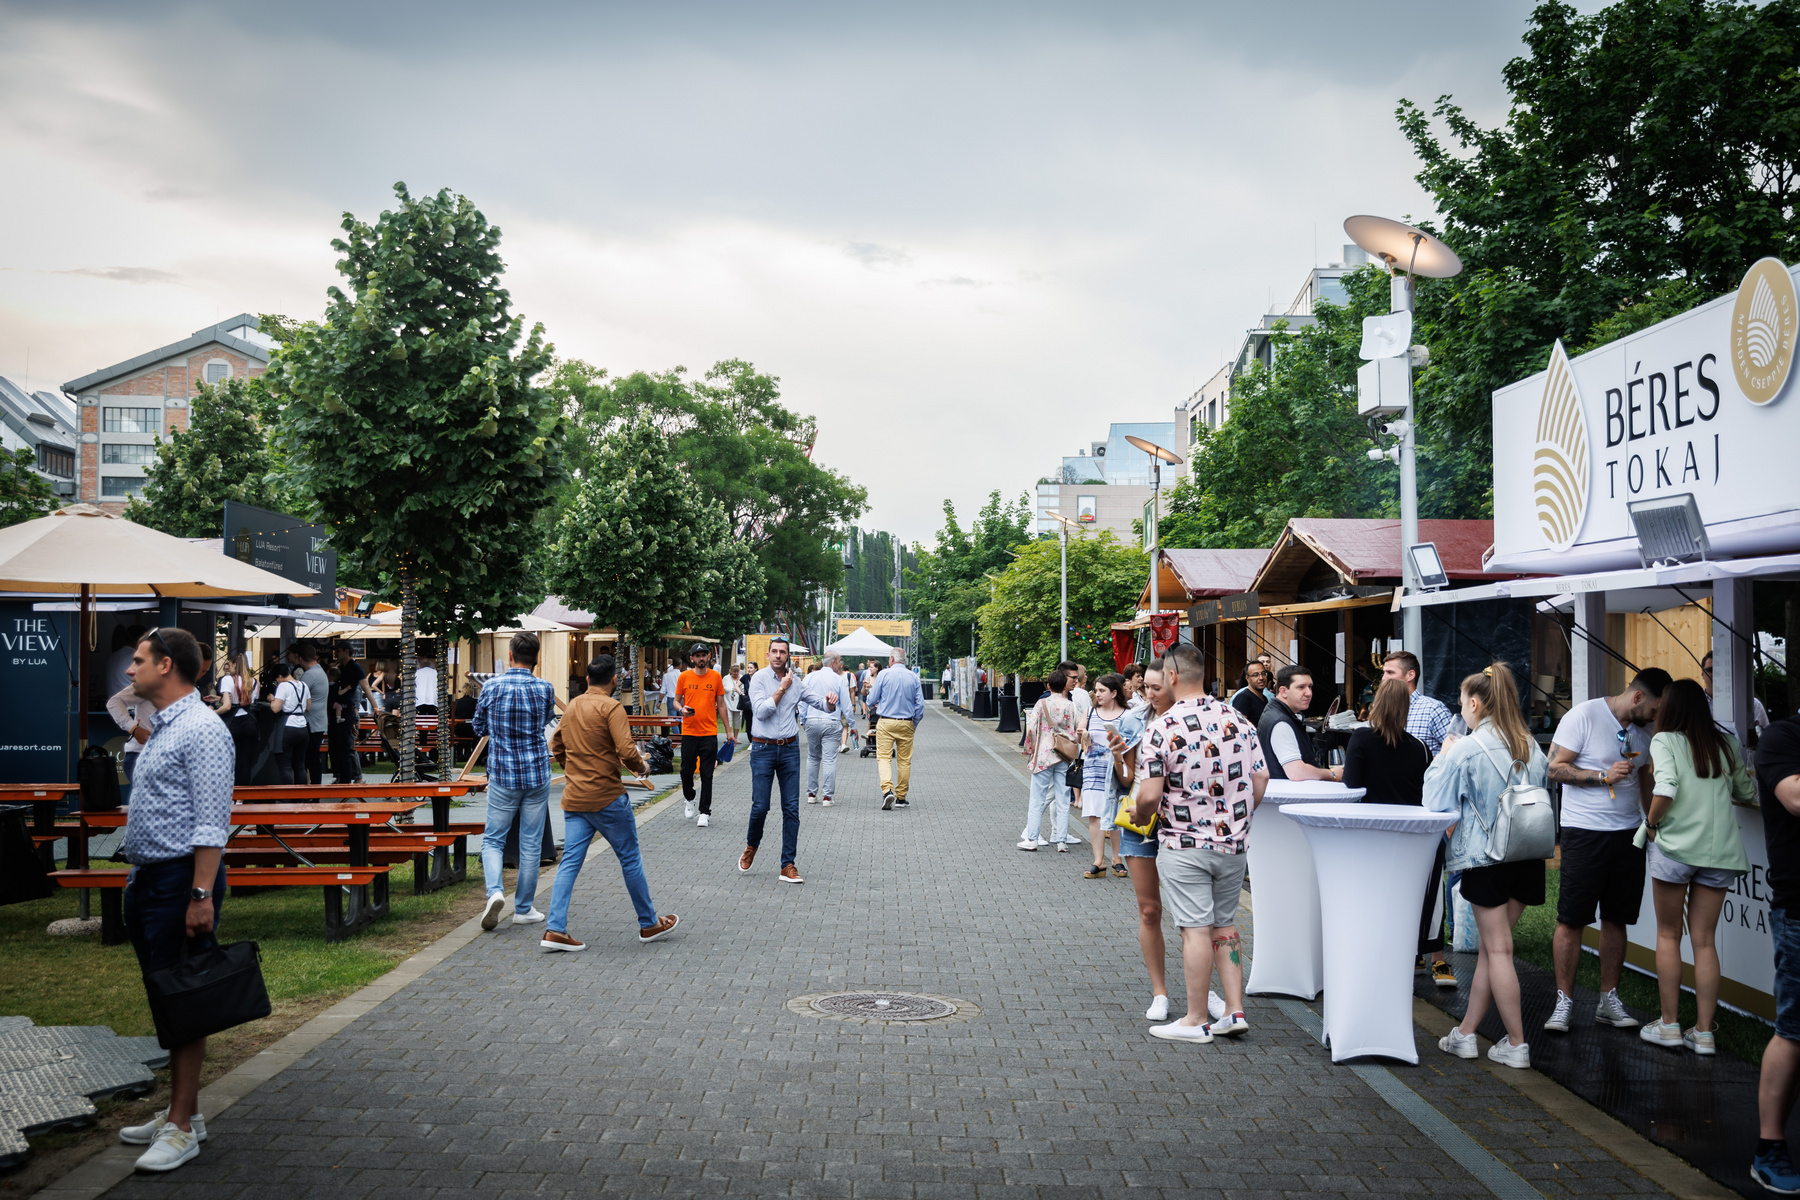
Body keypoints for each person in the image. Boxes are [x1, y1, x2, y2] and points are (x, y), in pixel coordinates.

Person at [113, 628, 234, 1172]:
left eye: (138, 660)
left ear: (166, 665)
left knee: (183, 998)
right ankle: (183, 1112)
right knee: (168, 996)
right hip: (151, 879)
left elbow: (211, 822)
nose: (129, 669)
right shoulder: (164, 726)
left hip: (182, 881)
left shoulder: (202, 729)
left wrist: (200, 894)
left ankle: (181, 1127)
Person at [1129, 642, 1268, 1043]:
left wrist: (1140, 814)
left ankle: (1195, 1019)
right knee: (1225, 925)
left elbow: (1150, 794)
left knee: (1195, 929)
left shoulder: (1163, 727)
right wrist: (1238, 816)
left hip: (1185, 843)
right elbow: (1260, 779)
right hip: (1233, 844)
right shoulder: (1239, 720)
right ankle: (1234, 1010)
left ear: (1171, 676)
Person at [1427, 662, 1549, 1068]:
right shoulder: (1530, 745)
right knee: (1492, 950)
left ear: (1476, 703)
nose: (1462, 709)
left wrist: (1442, 756)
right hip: (1526, 855)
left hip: (1487, 858)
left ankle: (1516, 1043)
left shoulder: (1466, 748)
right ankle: (1465, 1034)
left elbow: (1433, 800)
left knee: (1498, 949)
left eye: (1463, 703)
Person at [1543, 667, 1671, 1035]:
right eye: (1654, 708)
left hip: (1628, 835)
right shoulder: (1584, 716)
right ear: (1637, 696)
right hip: (1584, 832)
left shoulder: (1646, 730)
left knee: (1617, 918)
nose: (1656, 716)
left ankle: (1608, 1000)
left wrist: (1650, 822)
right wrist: (1601, 777)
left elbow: (1644, 776)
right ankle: (1563, 1002)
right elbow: (1554, 769)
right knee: (1572, 918)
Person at [1637, 677, 1752, 1054]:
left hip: (1675, 849)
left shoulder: (1664, 741)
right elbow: (1745, 792)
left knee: (1669, 935)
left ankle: (1669, 1025)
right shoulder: (1726, 744)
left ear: (1669, 709)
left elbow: (1665, 788)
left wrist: (1651, 824)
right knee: (1705, 941)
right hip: (1718, 852)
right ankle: (1703, 1033)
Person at [1109, 658, 1220, 1022]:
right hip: (1139, 821)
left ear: (1174, 683)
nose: (1150, 695)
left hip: (1184, 821)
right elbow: (1128, 779)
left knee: (1197, 915)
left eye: (1156, 688)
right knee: (1149, 909)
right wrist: (1117, 757)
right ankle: (1160, 993)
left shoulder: (1195, 718)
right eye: (1146, 688)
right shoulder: (1135, 719)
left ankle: (1206, 992)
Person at [543, 654, 679, 951]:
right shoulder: (612, 707)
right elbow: (627, 750)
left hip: (575, 798)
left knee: (569, 863)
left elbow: (556, 745)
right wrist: (643, 767)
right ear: (615, 680)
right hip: (607, 797)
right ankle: (649, 923)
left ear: (587, 679)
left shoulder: (573, 705)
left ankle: (555, 929)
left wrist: (572, 769)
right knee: (629, 858)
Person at [1344, 678, 1455, 987]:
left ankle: (1383, 959)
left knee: (1380, 900)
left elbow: (1352, 786)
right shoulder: (1419, 748)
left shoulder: (1361, 739)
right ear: (1406, 709)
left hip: (1375, 837)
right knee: (1424, 897)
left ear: (1376, 705)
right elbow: (1427, 792)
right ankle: (1432, 956)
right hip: (1415, 837)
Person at [474, 633, 560, 931]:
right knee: (531, 843)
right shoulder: (545, 688)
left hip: (503, 773)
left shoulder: (491, 686)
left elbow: (478, 726)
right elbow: (547, 720)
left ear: (510, 655)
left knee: (493, 839)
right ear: (536, 658)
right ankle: (523, 908)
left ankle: (495, 892)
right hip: (536, 772)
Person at [1754, 710, 1800, 1192]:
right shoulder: (1783, 738)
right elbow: (1796, 797)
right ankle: (1770, 1146)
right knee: (1794, 1030)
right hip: (1799, 910)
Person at [743, 637, 806, 882]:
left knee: (791, 808)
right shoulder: (758, 679)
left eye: (783, 652)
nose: (779, 655)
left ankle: (787, 864)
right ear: (768, 654)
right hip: (763, 749)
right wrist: (782, 688)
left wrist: (830, 702)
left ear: (788, 655)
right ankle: (752, 844)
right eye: (775, 651)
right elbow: (760, 712)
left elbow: (818, 702)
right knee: (761, 806)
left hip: (789, 749)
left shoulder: (796, 682)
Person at [1018, 669, 1081, 851]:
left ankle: (1032, 839)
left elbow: (1031, 729)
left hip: (1044, 756)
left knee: (1037, 799)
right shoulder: (1071, 706)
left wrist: (1029, 750)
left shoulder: (1042, 703)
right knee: (1063, 800)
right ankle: (1061, 840)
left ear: (1048, 685)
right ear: (1064, 686)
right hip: (1064, 755)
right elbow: (1078, 729)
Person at [1080, 673, 1135, 879]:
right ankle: (1098, 861)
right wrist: (1082, 735)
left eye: (1102, 690)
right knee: (1095, 815)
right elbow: (1079, 734)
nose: (1098, 694)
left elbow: (1134, 743)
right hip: (1093, 769)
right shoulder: (1091, 712)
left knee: (1116, 815)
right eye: (1096, 690)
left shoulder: (1127, 715)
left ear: (1114, 693)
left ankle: (1117, 859)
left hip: (1117, 770)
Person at [1256, 665, 1342, 782]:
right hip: (1288, 792)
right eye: (1301, 687)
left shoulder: (1278, 713)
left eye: (1310, 687)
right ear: (1283, 691)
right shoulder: (1281, 723)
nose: (1308, 693)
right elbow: (1296, 772)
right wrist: (1332, 774)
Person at [676, 643, 730, 827]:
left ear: (708, 657)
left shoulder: (715, 676)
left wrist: (728, 731)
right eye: (697, 655)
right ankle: (689, 798)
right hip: (689, 732)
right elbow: (676, 701)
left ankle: (705, 812)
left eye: (704, 655)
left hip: (709, 732)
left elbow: (721, 704)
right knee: (686, 771)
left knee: (707, 774)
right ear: (692, 658)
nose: (701, 658)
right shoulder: (684, 677)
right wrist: (681, 709)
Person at [866, 649, 925, 810]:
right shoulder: (913, 677)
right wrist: (914, 723)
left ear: (892, 659)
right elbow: (920, 705)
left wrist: (870, 703)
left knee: (884, 758)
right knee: (904, 760)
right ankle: (901, 797)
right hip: (906, 722)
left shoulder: (883, 675)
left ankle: (887, 791)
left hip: (886, 722)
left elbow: (871, 700)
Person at [801, 652, 854, 807]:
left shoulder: (809, 677)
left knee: (812, 757)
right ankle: (827, 797)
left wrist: (803, 719)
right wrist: (853, 725)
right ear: (833, 663)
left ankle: (811, 794)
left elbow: (802, 701)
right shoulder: (838, 680)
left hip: (812, 720)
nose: (840, 664)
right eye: (839, 661)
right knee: (829, 759)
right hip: (831, 721)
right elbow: (846, 705)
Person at [288, 641, 332, 785]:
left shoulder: (309, 675)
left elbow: (297, 697)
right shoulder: (320, 671)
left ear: (300, 659)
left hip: (311, 722)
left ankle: (314, 789)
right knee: (312, 758)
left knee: (309, 759)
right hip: (318, 721)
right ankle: (314, 788)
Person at [1701, 650, 1771, 731]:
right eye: (1711, 670)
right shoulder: (1693, 704)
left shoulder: (1752, 705)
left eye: (1721, 670)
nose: (1716, 674)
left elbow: (1767, 735)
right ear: (1702, 674)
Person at [268, 662, 310, 785]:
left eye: (277, 679)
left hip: (288, 727)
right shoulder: (304, 685)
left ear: (280, 676)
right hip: (303, 727)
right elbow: (308, 707)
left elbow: (275, 708)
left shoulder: (283, 686)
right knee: (300, 766)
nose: (277, 682)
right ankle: (301, 795)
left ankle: (287, 796)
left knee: (285, 767)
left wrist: (271, 699)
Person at [106, 682, 150, 782]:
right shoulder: (151, 682)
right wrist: (134, 729)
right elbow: (114, 702)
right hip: (142, 756)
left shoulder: (186, 690)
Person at [722, 663, 743, 743]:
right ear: (731, 671)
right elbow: (722, 690)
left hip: (739, 703)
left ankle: (736, 737)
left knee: (737, 720)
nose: (736, 673)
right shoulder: (726, 678)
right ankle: (729, 736)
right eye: (734, 671)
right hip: (728, 702)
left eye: (737, 671)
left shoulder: (742, 678)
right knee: (729, 719)